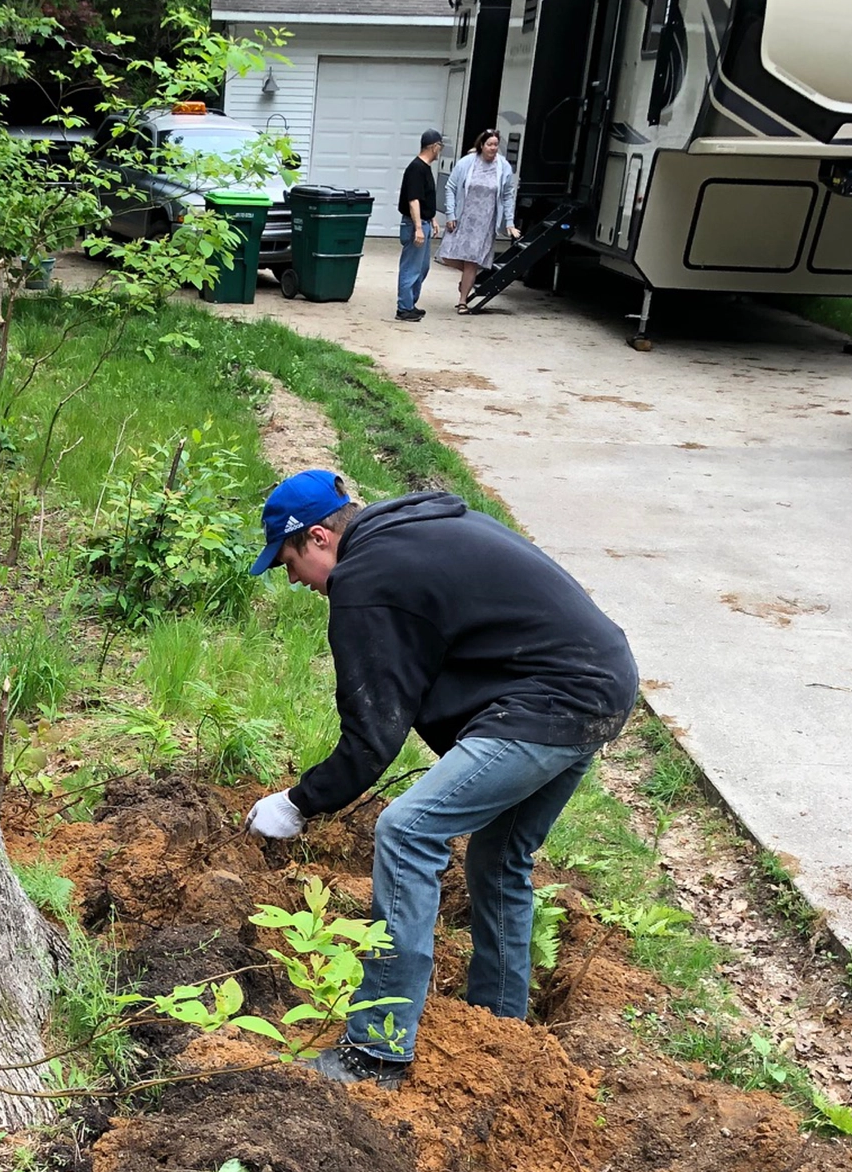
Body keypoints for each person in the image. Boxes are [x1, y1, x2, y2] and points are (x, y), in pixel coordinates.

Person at [243, 470, 638, 1089]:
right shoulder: (415, 532)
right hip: (602, 682)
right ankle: (499, 1033)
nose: (295, 581)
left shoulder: (367, 577)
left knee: (407, 830)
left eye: (291, 563)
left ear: (320, 538)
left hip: (552, 698)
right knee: (501, 857)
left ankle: (376, 1051)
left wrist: (298, 803)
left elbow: (374, 735)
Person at [438, 130, 520, 314]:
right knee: (447, 256)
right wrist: (450, 214)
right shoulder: (467, 162)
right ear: (481, 145)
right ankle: (469, 277)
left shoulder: (503, 167)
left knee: (472, 261)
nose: (493, 148)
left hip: (485, 221)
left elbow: (508, 195)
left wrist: (509, 222)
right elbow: (450, 187)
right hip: (463, 217)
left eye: (495, 145)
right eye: (489, 144)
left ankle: (462, 301)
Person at [396, 130, 443, 322]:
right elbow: (413, 200)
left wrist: (431, 218)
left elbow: (424, 199)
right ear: (434, 146)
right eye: (440, 146)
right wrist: (417, 228)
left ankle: (411, 304)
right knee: (411, 267)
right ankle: (403, 308)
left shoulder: (425, 167)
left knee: (422, 268)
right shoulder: (416, 168)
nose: (440, 150)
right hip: (415, 225)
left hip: (424, 223)